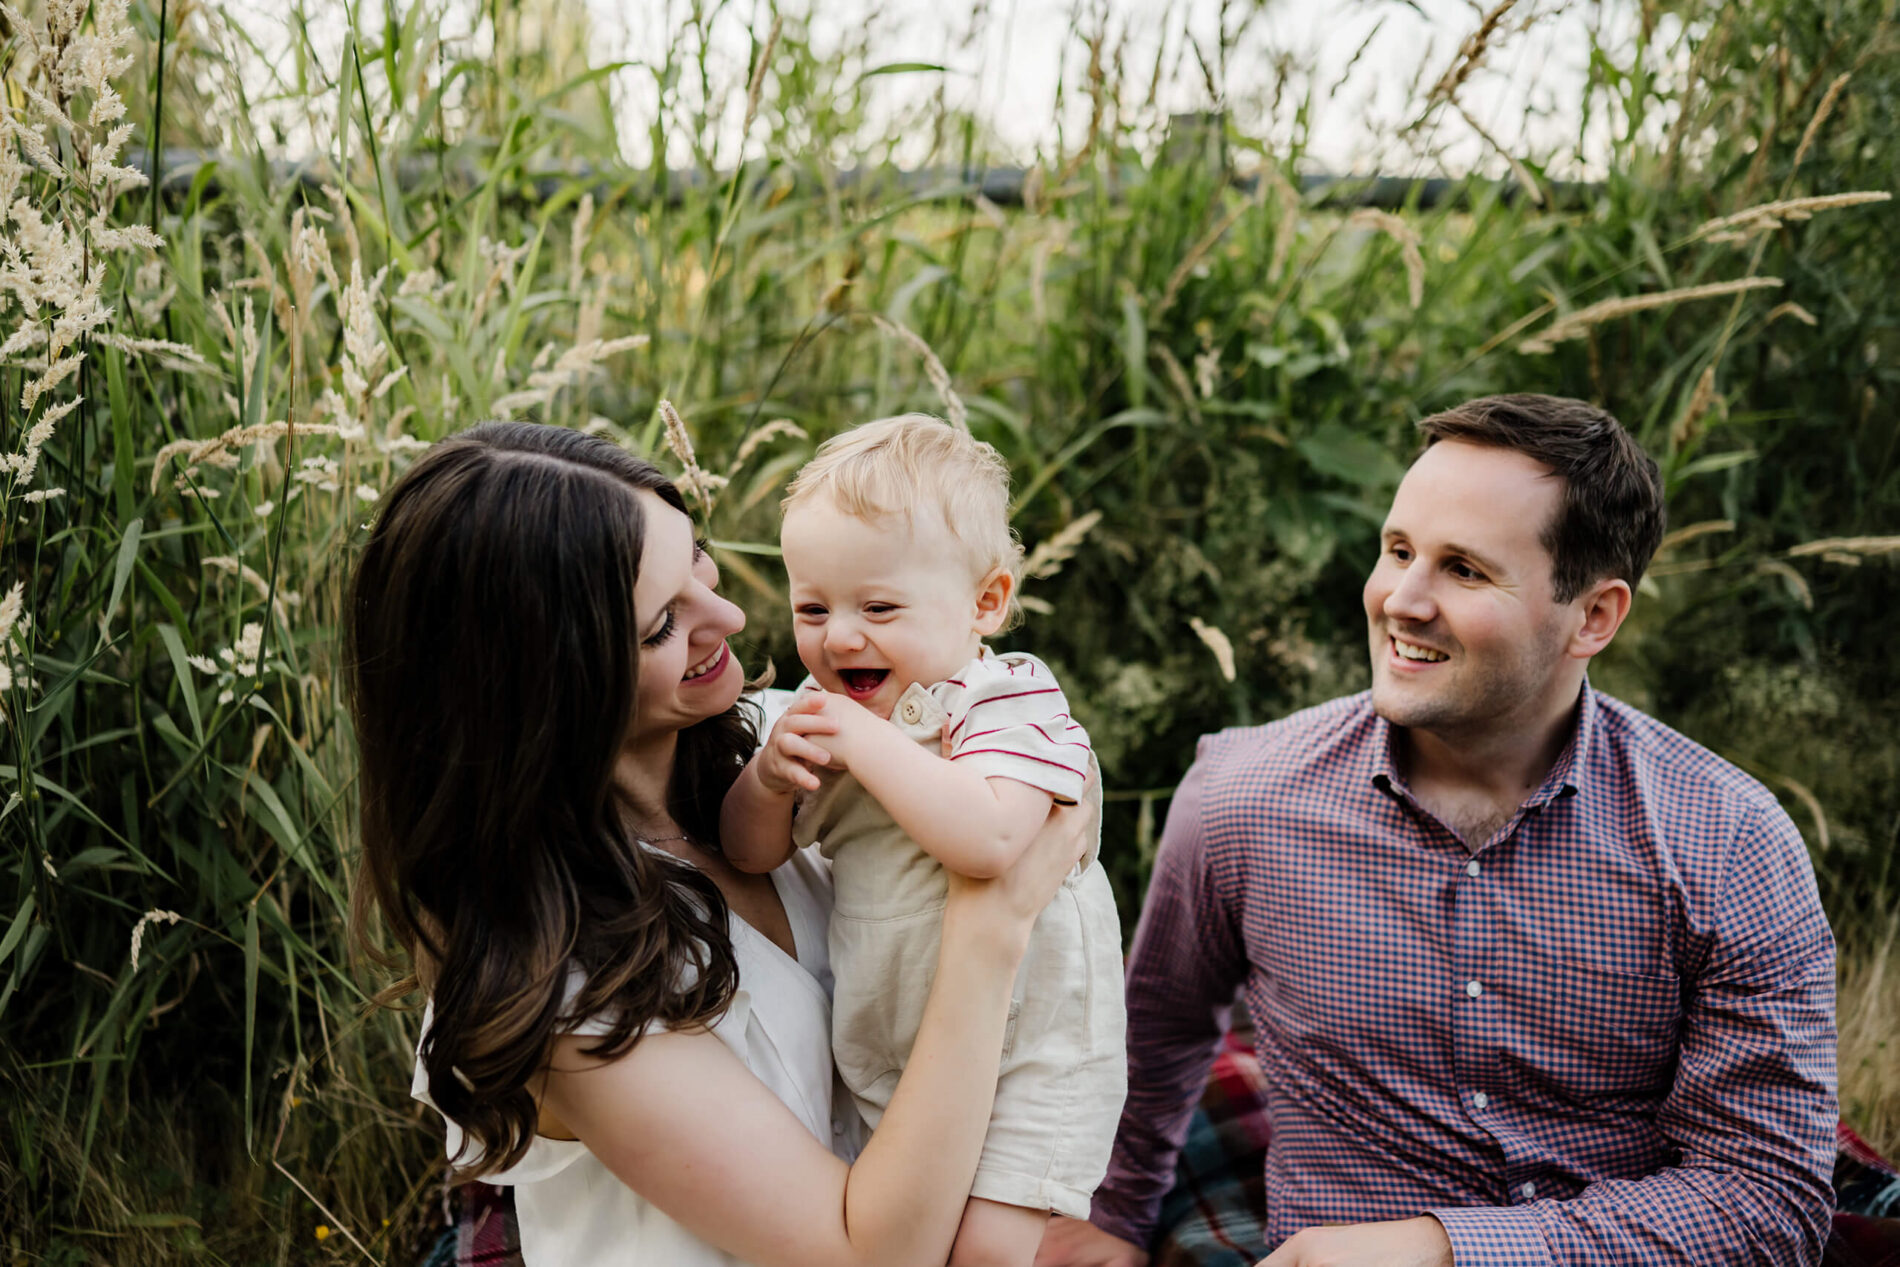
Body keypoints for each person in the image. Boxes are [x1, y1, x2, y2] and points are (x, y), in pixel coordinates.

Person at [1037, 394, 1839, 1267]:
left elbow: (1770, 1198)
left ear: (1594, 616)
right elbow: (1156, 1034)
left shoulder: (1729, 842)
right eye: (1398, 551)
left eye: (1463, 569)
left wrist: (1443, 1250)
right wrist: (1111, 1216)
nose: (1401, 601)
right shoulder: (1242, 798)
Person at [345, 420, 1094, 1267]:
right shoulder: (560, 983)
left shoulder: (801, 754)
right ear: (549, 687)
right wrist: (992, 925)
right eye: (665, 621)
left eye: (699, 561)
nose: (731, 614)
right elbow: (863, 1256)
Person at [722, 415, 1127, 1267]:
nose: (839, 636)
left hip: (1033, 1051)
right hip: (893, 1044)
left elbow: (989, 841)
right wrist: (765, 780)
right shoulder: (825, 715)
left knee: (982, 1254)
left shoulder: (1005, 698)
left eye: (878, 607)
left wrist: (858, 741)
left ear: (986, 602)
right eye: (812, 607)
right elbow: (753, 853)